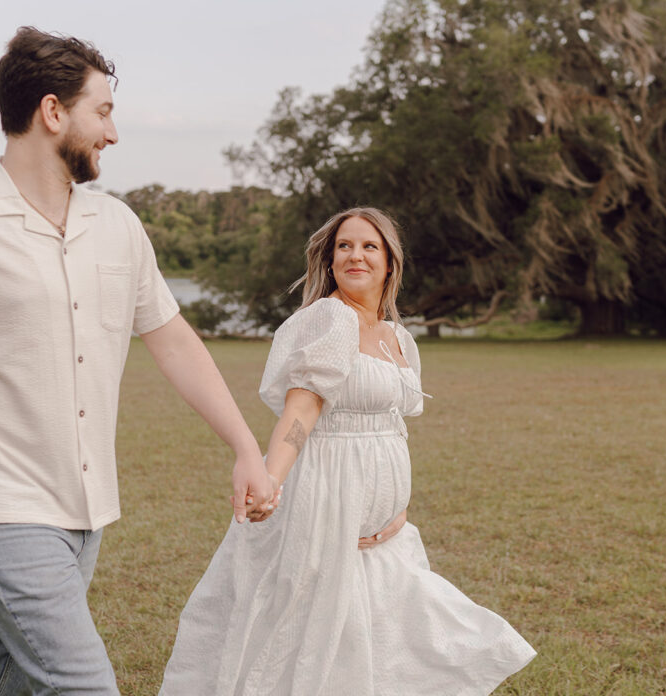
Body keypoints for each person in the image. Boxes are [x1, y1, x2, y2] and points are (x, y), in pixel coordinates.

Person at [0, 27, 276, 695]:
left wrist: (245, 445)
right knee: (82, 684)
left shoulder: (118, 226)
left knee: (6, 683)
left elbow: (173, 338)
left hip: (84, 506)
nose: (114, 132)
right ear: (52, 112)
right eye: (103, 111)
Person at [159, 208, 536, 695]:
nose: (355, 254)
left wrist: (397, 506)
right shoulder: (330, 319)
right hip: (324, 501)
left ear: (390, 262)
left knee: (381, 633)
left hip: (385, 527)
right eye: (344, 246)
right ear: (330, 260)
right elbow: (303, 408)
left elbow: (389, 428)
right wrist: (271, 477)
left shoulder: (396, 337)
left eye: (368, 246)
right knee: (305, 630)